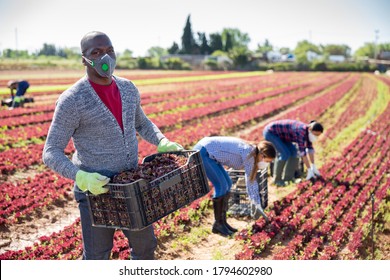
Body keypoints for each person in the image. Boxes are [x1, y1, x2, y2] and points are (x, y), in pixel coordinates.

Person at [42, 31, 183, 260]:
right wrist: (81, 177)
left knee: (146, 248)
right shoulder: (73, 99)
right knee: (98, 256)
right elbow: (50, 152)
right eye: (95, 52)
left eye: (109, 51)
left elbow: (141, 122)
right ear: (84, 59)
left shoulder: (128, 88)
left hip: (130, 185)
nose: (104, 58)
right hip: (95, 191)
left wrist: (161, 140)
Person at [193, 136, 276, 236]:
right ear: (262, 156)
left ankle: (222, 223)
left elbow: (251, 180)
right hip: (204, 152)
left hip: (210, 153)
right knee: (222, 186)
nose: (266, 164)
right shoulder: (249, 154)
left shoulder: (253, 153)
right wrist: (256, 203)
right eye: (267, 161)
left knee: (228, 183)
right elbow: (251, 181)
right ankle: (218, 224)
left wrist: (256, 203)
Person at [263, 119, 323, 187]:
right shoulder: (301, 132)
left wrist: (313, 165)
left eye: (317, 136)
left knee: (294, 152)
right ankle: (277, 180)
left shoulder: (307, 133)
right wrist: (309, 169)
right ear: (310, 129)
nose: (315, 137)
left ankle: (288, 178)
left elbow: (310, 149)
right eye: (315, 135)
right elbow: (303, 153)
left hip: (283, 136)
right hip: (271, 133)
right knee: (285, 154)